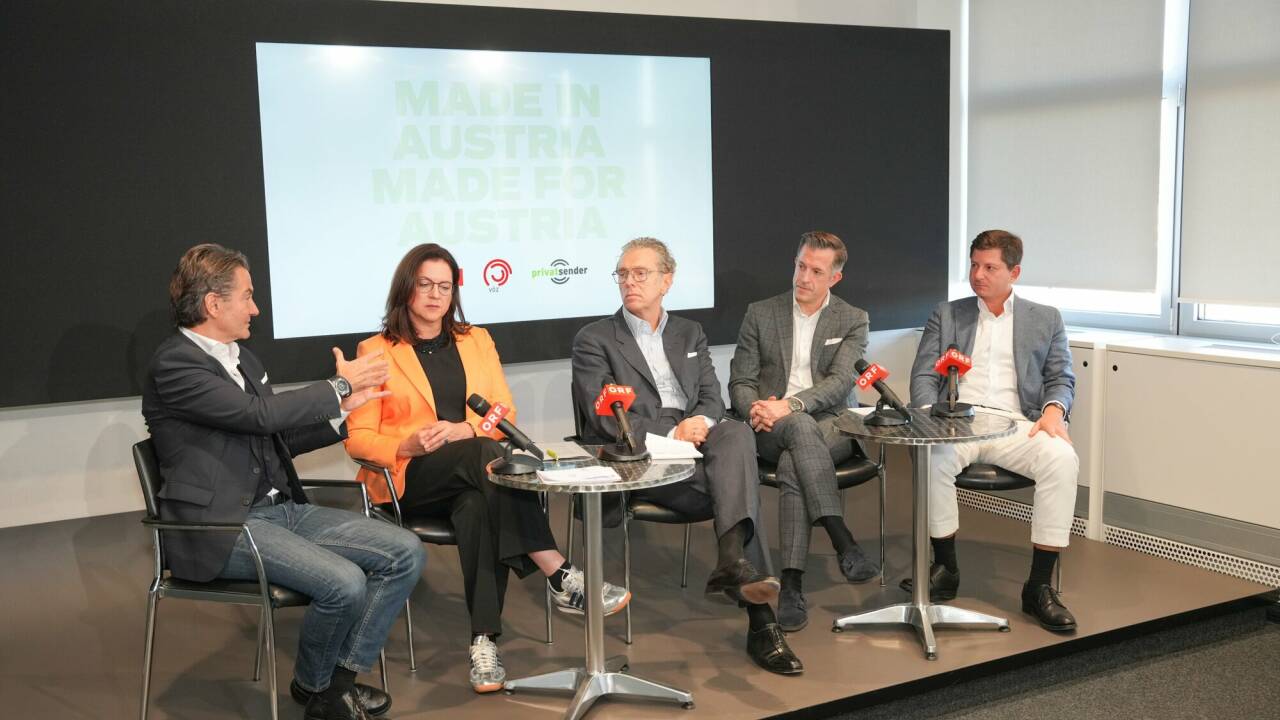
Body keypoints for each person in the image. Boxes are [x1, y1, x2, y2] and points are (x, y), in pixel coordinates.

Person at [142, 244, 426, 720]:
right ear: (214, 304)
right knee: (344, 583)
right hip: (221, 525)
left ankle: (330, 684)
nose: (255, 308)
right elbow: (257, 415)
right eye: (248, 297)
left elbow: (274, 435)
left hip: (279, 510)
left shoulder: (243, 360)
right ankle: (320, 691)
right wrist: (337, 386)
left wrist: (342, 414)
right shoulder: (175, 364)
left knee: (405, 552)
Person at [343, 243, 631, 694]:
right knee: (485, 457)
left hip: (470, 473)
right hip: (410, 477)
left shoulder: (475, 339)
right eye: (425, 285)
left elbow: (501, 408)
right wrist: (408, 442)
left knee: (478, 503)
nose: (436, 295)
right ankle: (558, 572)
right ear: (406, 288)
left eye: (445, 286)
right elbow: (356, 439)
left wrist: (466, 429)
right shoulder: (375, 351)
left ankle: (484, 641)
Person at [572, 237, 803, 675]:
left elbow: (712, 398)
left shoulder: (689, 332)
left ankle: (733, 558)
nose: (629, 282)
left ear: (667, 280)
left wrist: (701, 424)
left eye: (640, 273)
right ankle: (760, 617)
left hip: (700, 443)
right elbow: (604, 420)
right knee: (737, 485)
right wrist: (673, 432)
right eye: (622, 273)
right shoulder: (595, 339)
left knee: (734, 432)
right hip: (642, 453)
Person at [907, 229, 1079, 632]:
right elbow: (922, 377)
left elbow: (1061, 378)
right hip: (958, 422)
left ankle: (1038, 587)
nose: (978, 275)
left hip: (1017, 424)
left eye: (990, 267)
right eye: (974, 265)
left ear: (1014, 271)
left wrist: (1054, 411)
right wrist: (929, 414)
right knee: (932, 457)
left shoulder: (1046, 318)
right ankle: (946, 568)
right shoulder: (947, 314)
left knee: (1062, 459)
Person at [728, 231, 878, 633]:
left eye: (816, 271)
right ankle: (840, 536)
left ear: (835, 278)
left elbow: (841, 383)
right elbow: (740, 381)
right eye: (800, 266)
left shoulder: (852, 318)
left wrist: (791, 405)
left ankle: (791, 583)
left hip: (830, 424)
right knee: (795, 433)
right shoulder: (761, 313)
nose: (804, 278)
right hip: (769, 427)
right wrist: (756, 409)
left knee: (798, 453)